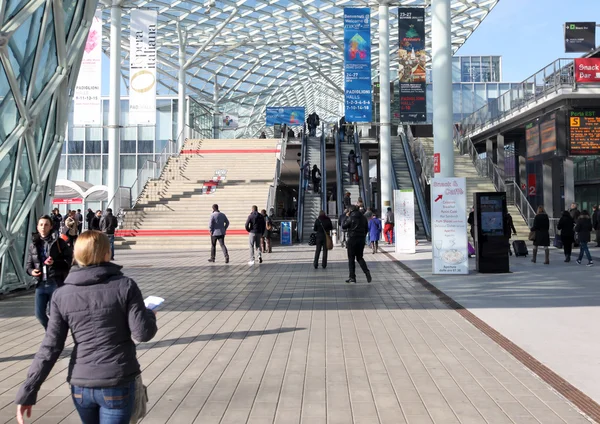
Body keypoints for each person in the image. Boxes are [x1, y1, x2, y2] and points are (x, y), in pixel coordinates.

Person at [15, 230, 158, 424]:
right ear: (107, 253)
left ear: (77, 254)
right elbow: (142, 333)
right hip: (117, 379)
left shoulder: (62, 294)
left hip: (80, 384)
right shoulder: (125, 286)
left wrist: (28, 390)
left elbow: (50, 347)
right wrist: (149, 314)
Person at [26, 215, 73, 330]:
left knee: (54, 315)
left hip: (55, 282)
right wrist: (32, 271)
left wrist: (54, 263)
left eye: (46, 224)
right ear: (37, 227)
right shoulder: (33, 245)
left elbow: (69, 262)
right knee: (39, 314)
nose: (43, 227)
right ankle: (53, 335)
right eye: (41, 225)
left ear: (51, 226)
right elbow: (28, 266)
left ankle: (53, 339)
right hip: (40, 284)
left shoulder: (59, 242)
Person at [342, 205, 372, 284]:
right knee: (359, 257)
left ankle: (352, 277)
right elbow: (366, 229)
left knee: (351, 258)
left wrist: (346, 216)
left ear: (350, 210)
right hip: (361, 239)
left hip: (352, 239)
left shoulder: (350, 217)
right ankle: (367, 272)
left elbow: (343, 225)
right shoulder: (363, 218)